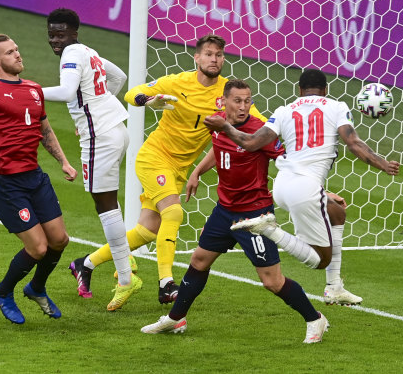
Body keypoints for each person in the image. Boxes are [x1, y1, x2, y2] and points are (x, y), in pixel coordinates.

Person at [68, 34, 264, 304]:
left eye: (218, 55)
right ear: (197, 57)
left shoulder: (227, 94)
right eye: (208, 54)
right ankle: (165, 283)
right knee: (172, 212)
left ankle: (85, 264)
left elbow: (261, 123)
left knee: (147, 231)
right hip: (154, 157)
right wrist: (148, 101)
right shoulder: (176, 82)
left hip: (179, 169)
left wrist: (287, 129)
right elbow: (130, 93)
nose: (214, 59)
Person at [140, 80, 329, 343]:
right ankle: (175, 319)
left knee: (272, 281)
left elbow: (289, 162)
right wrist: (197, 171)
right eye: (237, 101)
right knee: (199, 261)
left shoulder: (259, 134)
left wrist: (320, 190)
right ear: (224, 102)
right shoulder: (216, 123)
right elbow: (219, 148)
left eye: (247, 101)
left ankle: (315, 318)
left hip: (254, 217)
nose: (243, 107)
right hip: (225, 210)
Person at [205, 69, 400, 305]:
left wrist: (226, 128)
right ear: (325, 90)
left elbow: (251, 143)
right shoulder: (337, 107)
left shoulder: (284, 111)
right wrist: (384, 164)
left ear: (299, 91)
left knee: (336, 212)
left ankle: (335, 287)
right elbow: (354, 143)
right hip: (305, 190)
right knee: (320, 260)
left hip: (282, 186)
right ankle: (269, 230)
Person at [0, 34, 78, 324]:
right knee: (37, 247)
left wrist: (63, 161)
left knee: (60, 240)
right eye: (10, 52)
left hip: (34, 178)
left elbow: (45, 131)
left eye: (17, 49)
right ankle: (3, 291)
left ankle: (36, 288)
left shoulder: (34, 89)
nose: (18, 55)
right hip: (5, 182)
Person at [42, 8, 141, 311]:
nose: (55, 40)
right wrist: (99, 105)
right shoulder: (87, 51)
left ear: (73, 32)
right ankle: (126, 266)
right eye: (51, 34)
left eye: (60, 33)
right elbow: (118, 76)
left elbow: (67, 90)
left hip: (100, 136)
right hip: (115, 130)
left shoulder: (72, 52)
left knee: (104, 204)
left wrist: (27, 90)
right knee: (105, 202)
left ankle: (126, 278)